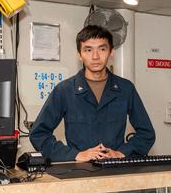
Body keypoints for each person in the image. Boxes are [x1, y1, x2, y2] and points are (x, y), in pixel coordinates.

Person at [30, 25, 155, 162]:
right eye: (88, 50)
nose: (95, 56)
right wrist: (75, 155)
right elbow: (38, 134)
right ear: (79, 55)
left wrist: (121, 153)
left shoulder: (125, 89)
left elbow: (146, 134)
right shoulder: (65, 90)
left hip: (116, 170)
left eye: (102, 49)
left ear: (111, 52)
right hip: (78, 173)